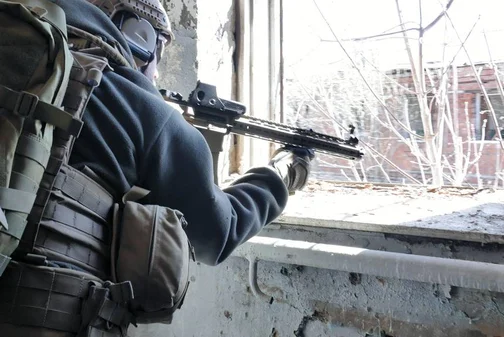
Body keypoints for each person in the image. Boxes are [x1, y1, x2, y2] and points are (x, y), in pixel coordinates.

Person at [0, 0, 314, 335]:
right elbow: (219, 233)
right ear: (138, 36)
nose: (157, 71)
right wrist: (283, 173)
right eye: (159, 50)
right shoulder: (143, 110)